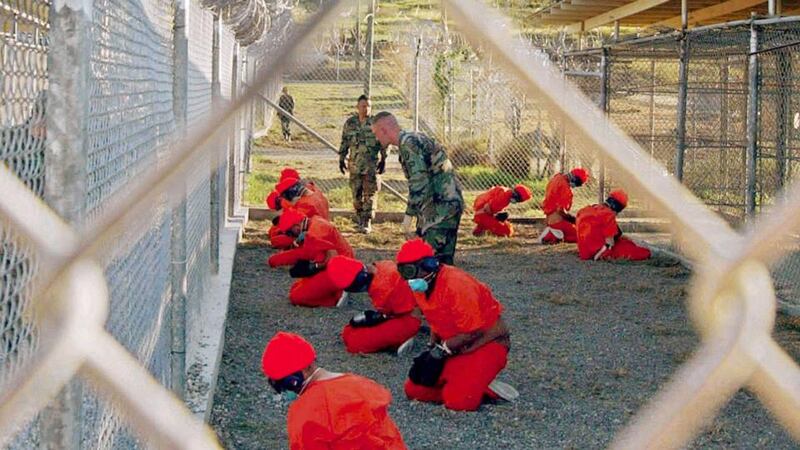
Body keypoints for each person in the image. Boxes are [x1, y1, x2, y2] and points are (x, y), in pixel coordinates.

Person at [395, 239, 518, 411]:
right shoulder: (423, 286)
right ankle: (468, 383)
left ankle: (482, 388)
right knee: (414, 390)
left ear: (429, 265)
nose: (408, 278)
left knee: (459, 402)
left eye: (410, 270)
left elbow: (472, 331)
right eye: (403, 271)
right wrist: (432, 347)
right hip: (456, 345)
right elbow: (434, 318)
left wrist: (442, 350)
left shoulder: (457, 284)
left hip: (485, 342)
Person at [261, 332, 407, 449]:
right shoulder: (361, 384)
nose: (281, 391)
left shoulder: (305, 413)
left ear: (299, 374)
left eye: (281, 384)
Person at [371, 112, 464, 265]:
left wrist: (408, 217)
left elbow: (419, 183)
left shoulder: (408, 144)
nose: (376, 138)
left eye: (376, 133)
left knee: (430, 264)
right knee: (443, 265)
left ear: (383, 130)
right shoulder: (412, 139)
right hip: (446, 204)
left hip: (440, 208)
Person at [326, 255, 421, 355]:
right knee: (348, 332)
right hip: (399, 313)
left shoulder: (381, 288)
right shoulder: (381, 266)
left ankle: (404, 338)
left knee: (355, 342)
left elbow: (394, 313)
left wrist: (375, 321)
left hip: (408, 318)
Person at [268, 209, 355, 307]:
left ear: (296, 227)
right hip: (341, 263)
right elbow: (310, 250)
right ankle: (336, 288)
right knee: (296, 287)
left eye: (290, 233)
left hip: (339, 269)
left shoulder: (315, 231)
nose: (291, 236)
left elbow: (332, 257)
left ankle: (336, 298)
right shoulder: (314, 222)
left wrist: (314, 267)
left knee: (296, 297)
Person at [338, 95, 387, 234]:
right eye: (363, 106)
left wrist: (384, 159)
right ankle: (360, 218)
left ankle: (367, 221)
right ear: (357, 107)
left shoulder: (376, 124)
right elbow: (345, 141)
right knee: (356, 194)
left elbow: (384, 143)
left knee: (370, 194)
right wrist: (341, 158)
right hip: (354, 166)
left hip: (371, 166)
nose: (366, 109)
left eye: (369, 106)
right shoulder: (350, 123)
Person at [575, 189, 651, 261]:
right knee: (643, 252)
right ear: (617, 208)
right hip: (597, 251)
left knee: (624, 241)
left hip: (584, 252)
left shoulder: (586, 209)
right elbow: (610, 243)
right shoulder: (608, 215)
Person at [538, 167, 589, 244]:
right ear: (575, 179)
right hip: (558, 222)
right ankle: (552, 235)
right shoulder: (565, 188)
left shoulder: (557, 178)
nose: (576, 186)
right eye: (579, 183)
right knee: (582, 236)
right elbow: (560, 211)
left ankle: (554, 233)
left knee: (571, 235)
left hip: (550, 219)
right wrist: (574, 220)